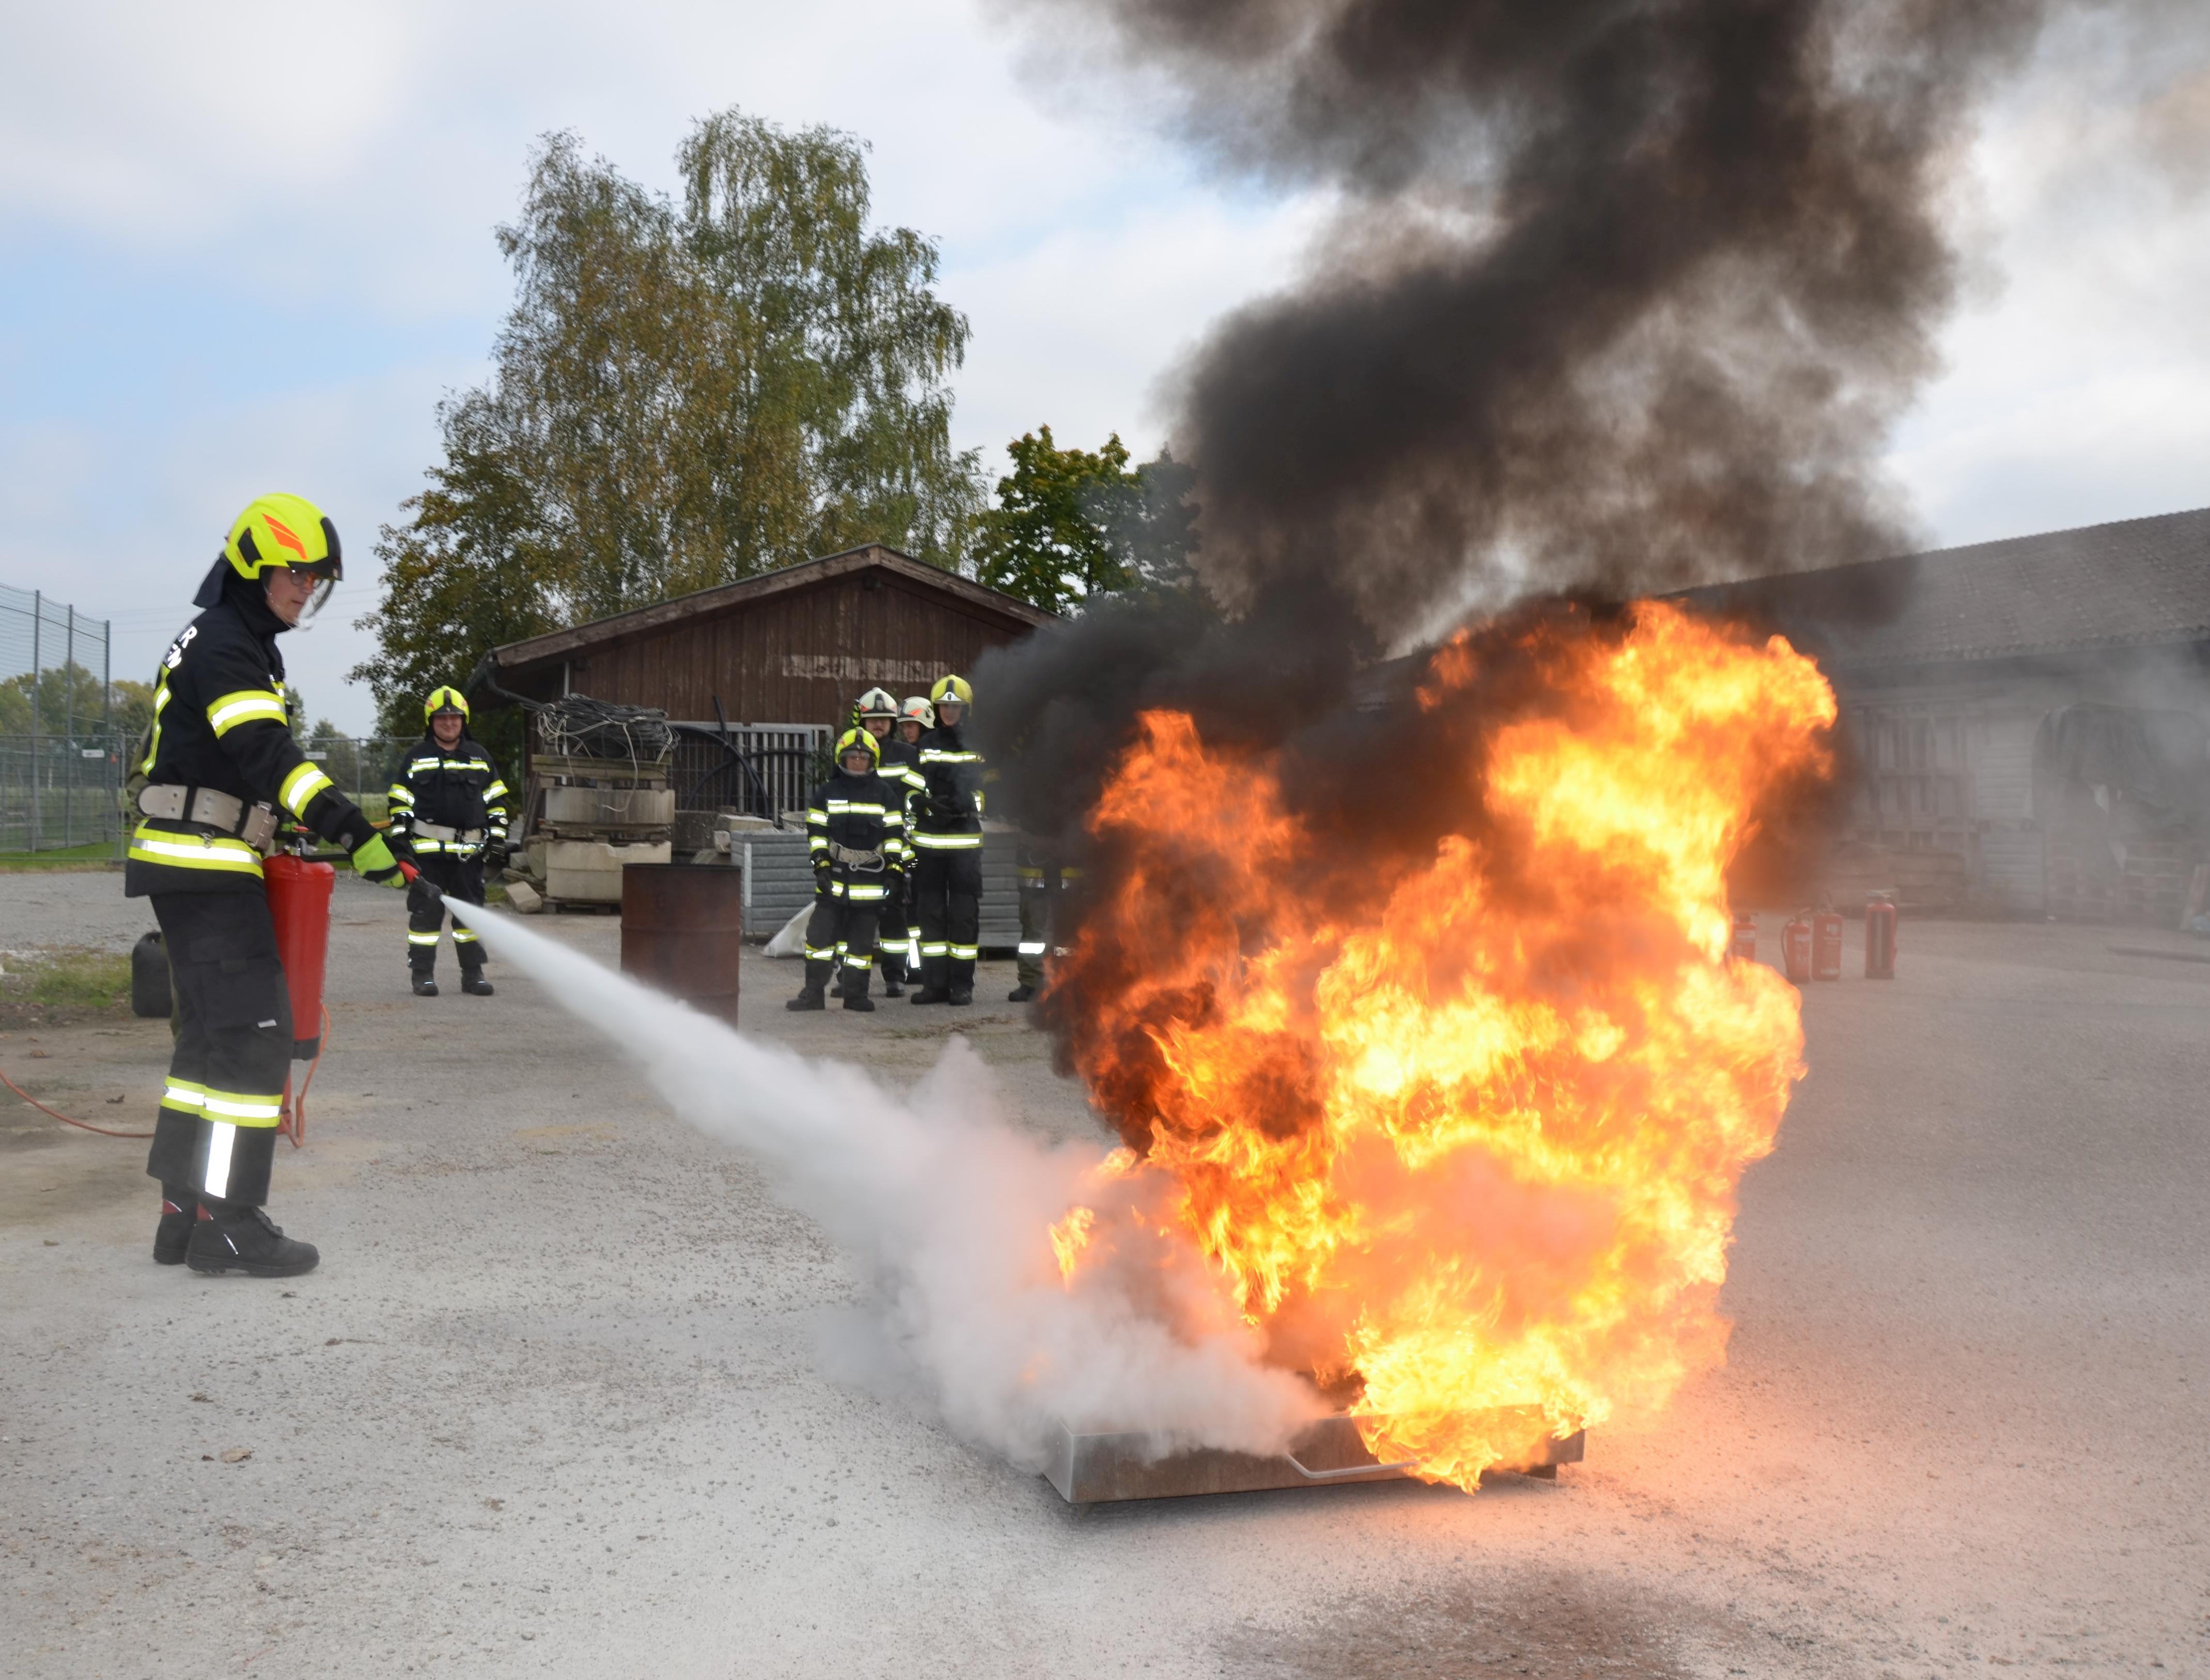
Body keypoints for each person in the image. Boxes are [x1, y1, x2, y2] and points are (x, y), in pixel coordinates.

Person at [127, 493, 407, 1278]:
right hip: (205, 864)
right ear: (253, 562)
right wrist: (354, 829)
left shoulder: (221, 640)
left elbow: (236, 762)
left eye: (315, 579)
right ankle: (230, 1221)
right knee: (254, 1043)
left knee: (208, 1044)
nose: (304, 589)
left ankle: (183, 1214)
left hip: (193, 858)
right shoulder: (226, 645)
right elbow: (266, 754)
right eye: (294, 571)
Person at [387, 686, 511, 998]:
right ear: (431, 721)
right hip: (427, 855)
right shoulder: (416, 758)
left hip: (469, 855)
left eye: (454, 717)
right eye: (441, 718)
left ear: (463, 720)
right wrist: (401, 841)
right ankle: (423, 976)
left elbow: (496, 802)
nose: (448, 723)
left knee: (470, 914)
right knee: (426, 915)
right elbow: (400, 800)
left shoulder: (480, 758)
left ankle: (473, 975)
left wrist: (497, 838)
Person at [787, 727, 908, 1014]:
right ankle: (812, 995)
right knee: (818, 940)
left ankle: (856, 996)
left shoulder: (885, 794)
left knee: (860, 947)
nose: (857, 761)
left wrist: (894, 871)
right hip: (834, 881)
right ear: (841, 758)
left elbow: (894, 836)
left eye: (863, 756)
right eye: (851, 756)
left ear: (872, 760)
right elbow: (816, 833)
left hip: (870, 882)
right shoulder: (827, 792)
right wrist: (821, 867)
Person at [909, 674, 986, 1006]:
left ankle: (961, 986)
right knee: (930, 915)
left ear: (966, 709)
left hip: (964, 846)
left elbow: (990, 792)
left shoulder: (980, 747)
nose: (949, 712)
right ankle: (934, 985)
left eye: (955, 706)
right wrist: (920, 802)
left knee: (963, 916)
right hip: (928, 843)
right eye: (944, 706)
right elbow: (911, 787)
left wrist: (966, 804)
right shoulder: (925, 746)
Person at [854, 687, 917, 997]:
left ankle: (895, 977)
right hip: (857, 849)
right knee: (856, 914)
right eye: (873, 719)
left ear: (893, 723)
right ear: (862, 721)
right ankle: (852, 979)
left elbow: (920, 796)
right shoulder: (851, 752)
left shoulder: (907, 755)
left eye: (885, 719)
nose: (879, 724)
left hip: (896, 845)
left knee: (896, 914)